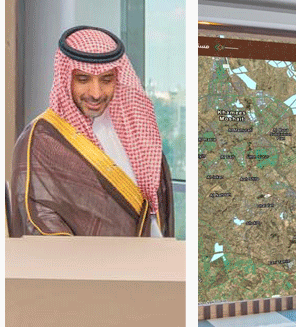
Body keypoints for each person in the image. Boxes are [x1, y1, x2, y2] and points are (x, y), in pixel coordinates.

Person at [10, 25, 174, 237]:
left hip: (152, 255)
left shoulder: (137, 131)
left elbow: (156, 207)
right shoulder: (41, 139)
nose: (96, 93)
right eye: (83, 79)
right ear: (66, 78)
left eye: (106, 80)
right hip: (88, 259)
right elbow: (38, 219)